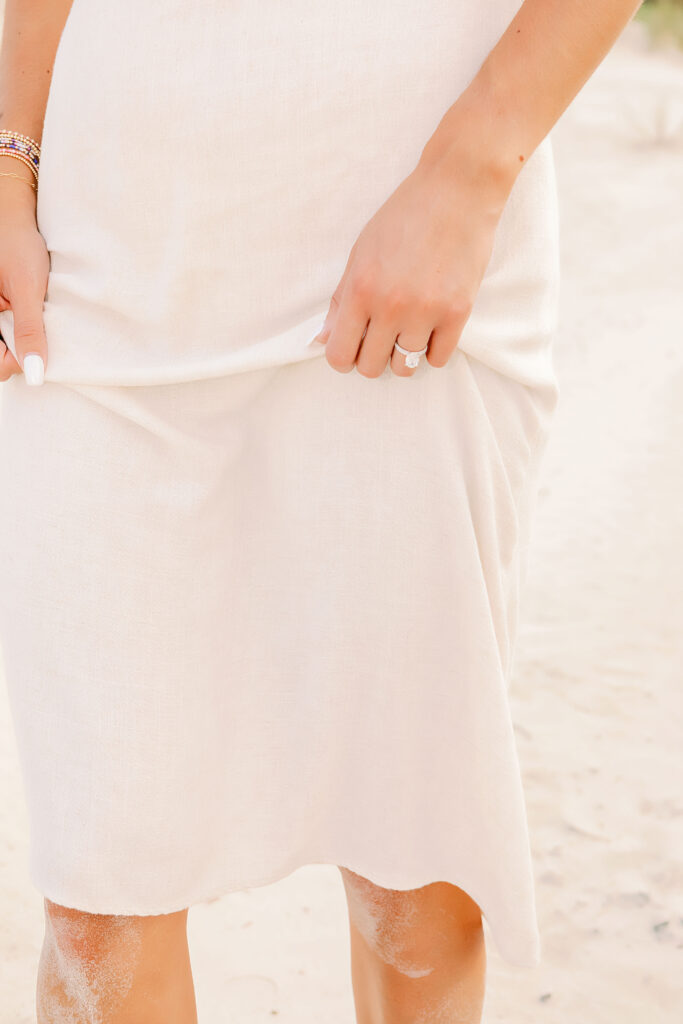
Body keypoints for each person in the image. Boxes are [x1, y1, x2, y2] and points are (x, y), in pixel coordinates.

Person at [0, 1, 643, 1021]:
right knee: (99, 909)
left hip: (410, 226)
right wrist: (10, 160)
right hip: (103, 250)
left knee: (414, 883)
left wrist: (469, 174)